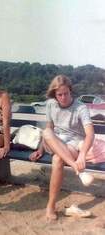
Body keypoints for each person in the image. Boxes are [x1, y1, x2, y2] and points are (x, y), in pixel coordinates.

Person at [30, 75, 94, 220]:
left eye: (66, 93)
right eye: (60, 94)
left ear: (70, 91)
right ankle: (78, 169)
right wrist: (40, 150)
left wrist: (82, 154)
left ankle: (50, 206)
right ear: (55, 94)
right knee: (47, 132)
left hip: (72, 145)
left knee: (58, 159)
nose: (63, 97)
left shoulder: (80, 107)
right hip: (53, 141)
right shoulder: (51, 104)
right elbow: (49, 129)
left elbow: (90, 135)